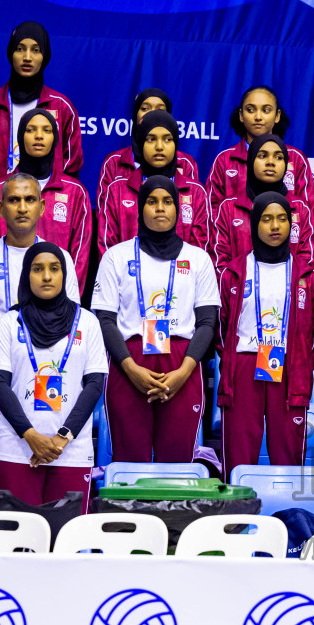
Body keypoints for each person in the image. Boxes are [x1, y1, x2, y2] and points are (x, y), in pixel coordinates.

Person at [92, 175, 220, 464]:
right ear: (140, 208)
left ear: (177, 209)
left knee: (177, 461)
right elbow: (105, 319)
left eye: (167, 201)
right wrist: (131, 369)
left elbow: (207, 322)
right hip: (129, 363)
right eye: (152, 201)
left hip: (182, 363)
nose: (160, 208)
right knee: (128, 459)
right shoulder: (116, 256)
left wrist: (183, 373)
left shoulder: (198, 259)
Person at [0, 174, 83, 478]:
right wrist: (1, 371)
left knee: (47, 465)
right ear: (0, 208)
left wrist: (30, 372)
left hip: (47, 379)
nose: (22, 207)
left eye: (29, 199)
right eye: (14, 200)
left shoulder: (61, 259)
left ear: (42, 207)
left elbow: (72, 322)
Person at [0, 241, 106, 505]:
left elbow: (94, 385)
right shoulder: (9, 322)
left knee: (67, 540)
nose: (47, 276)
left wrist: (62, 437)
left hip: (72, 450)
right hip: (16, 449)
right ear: (26, 275)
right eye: (37, 269)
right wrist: (30, 436)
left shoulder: (87, 322)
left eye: (54, 268)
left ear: (64, 274)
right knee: (19, 540)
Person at [215, 192, 314, 475]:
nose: (275, 226)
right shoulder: (233, 273)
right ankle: (236, 518)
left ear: (291, 225)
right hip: (243, 366)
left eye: (282, 219)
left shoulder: (307, 276)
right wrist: (234, 362)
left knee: (287, 456)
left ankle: (286, 518)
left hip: (289, 368)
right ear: (254, 224)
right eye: (266, 219)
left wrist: (299, 367)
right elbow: (222, 327)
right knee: (239, 456)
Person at [0, 21, 83, 197]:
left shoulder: (62, 107)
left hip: (47, 207)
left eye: (35, 50)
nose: (27, 57)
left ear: (45, 55)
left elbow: (71, 165)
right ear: (10, 53)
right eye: (20, 49)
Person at [0, 108, 92, 281]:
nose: (39, 136)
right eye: (30, 130)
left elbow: (80, 258)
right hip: (3, 292)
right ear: (20, 137)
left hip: (55, 297)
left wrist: (63, 299)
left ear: (55, 138)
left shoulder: (75, 192)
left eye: (47, 130)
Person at [97, 109, 211, 259]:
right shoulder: (117, 190)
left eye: (167, 139)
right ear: (140, 143)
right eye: (151, 139)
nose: (159, 146)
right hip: (129, 278)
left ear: (176, 143)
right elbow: (107, 249)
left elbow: (200, 253)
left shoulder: (196, 193)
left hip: (181, 278)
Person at [211, 134, 314, 272]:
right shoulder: (228, 207)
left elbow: (308, 263)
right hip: (239, 291)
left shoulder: (300, 208)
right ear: (250, 161)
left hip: (288, 290)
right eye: (262, 156)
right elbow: (218, 261)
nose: (270, 162)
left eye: (278, 157)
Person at [207, 85, 314, 212]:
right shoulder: (225, 159)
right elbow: (212, 213)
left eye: (266, 110)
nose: (258, 117)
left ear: (277, 115)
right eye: (250, 110)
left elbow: (306, 213)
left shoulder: (295, 159)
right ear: (241, 115)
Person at [96, 87, 200, 207]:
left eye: (160, 109)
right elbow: (105, 212)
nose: (152, 113)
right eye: (145, 108)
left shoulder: (185, 163)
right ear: (136, 113)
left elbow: (192, 204)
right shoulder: (114, 161)